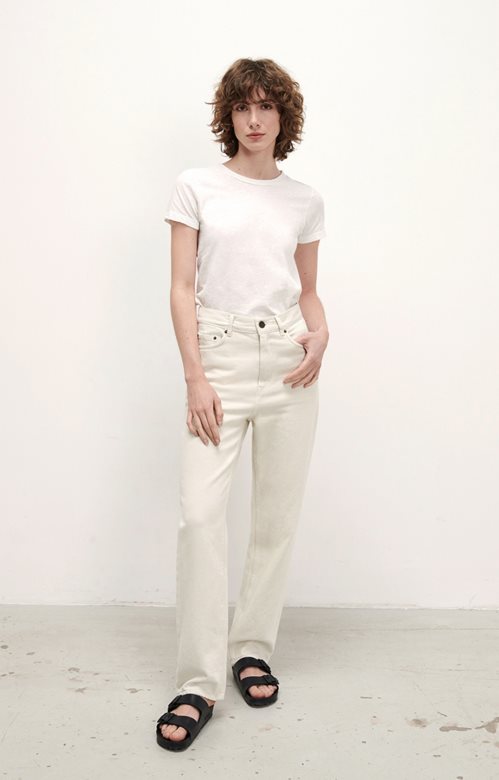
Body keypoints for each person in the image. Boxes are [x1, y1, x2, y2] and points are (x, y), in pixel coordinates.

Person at [156, 57, 329, 752]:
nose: (254, 120)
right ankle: (198, 682)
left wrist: (322, 334)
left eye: (266, 107)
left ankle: (251, 647)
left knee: (274, 518)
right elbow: (180, 287)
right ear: (227, 116)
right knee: (200, 517)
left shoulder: (304, 200)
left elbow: (307, 289)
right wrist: (195, 377)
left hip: (289, 362)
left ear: (284, 116)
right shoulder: (196, 186)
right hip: (219, 358)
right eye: (242, 107)